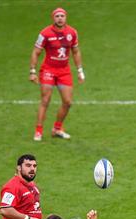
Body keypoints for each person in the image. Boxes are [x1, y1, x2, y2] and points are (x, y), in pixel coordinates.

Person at [30, 7, 84, 141]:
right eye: (57, 16)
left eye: (62, 16)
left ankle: (57, 129)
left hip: (64, 72)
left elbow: (76, 52)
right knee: (45, 100)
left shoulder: (72, 32)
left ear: (66, 17)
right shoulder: (45, 33)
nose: (60, 18)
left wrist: (80, 70)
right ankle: (38, 131)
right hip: (48, 70)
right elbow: (36, 52)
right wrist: (32, 71)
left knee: (68, 102)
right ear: (53, 18)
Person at [0, 154, 42, 219]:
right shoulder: (12, 187)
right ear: (18, 168)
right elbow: (5, 210)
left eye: (34, 166)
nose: (32, 169)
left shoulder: (32, 186)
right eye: (28, 165)